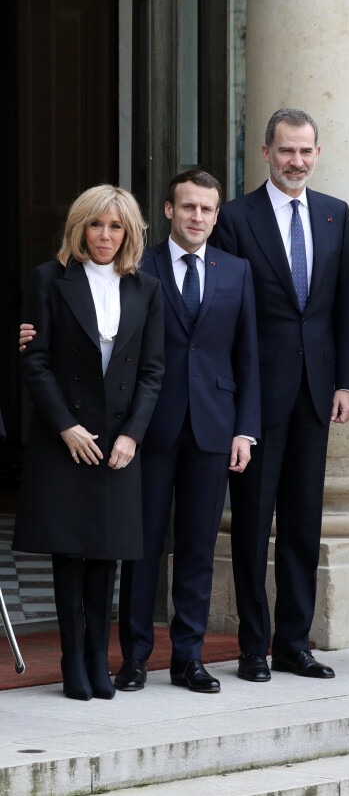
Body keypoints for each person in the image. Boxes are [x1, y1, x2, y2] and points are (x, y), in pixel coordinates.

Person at [20, 169, 260, 695]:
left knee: (197, 546)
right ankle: (131, 658)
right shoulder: (139, 266)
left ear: (218, 215)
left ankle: (189, 658)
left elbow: (247, 355)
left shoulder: (235, 271)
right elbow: (50, 346)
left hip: (206, 425)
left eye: (207, 209)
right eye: (188, 207)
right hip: (143, 431)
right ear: (169, 211)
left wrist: (246, 428)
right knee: (136, 546)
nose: (198, 216)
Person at [213, 108, 349, 682]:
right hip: (256, 396)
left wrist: (348, 380)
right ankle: (253, 645)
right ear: (266, 153)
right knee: (251, 522)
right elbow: (228, 313)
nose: (296, 161)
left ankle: (293, 642)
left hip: (316, 395)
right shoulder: (233, 218)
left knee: (303, 521)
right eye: (286, 151)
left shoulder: (334, 214)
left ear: (317, 153)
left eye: (305, 151)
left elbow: (346, 303)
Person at [14, 185, 164, 701]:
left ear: (130, 233)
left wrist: (132, 436)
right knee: (69, 553)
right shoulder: (48, 280)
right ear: (80, 227)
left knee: (108, 554)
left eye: (116, 226)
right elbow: (34, 361)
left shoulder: (146, 288)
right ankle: (72, 659)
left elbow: (152, 372)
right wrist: (65, 427)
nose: (105, 236)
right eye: (96, 225)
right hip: (67, 438)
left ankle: (101, 660)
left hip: (118, 440)